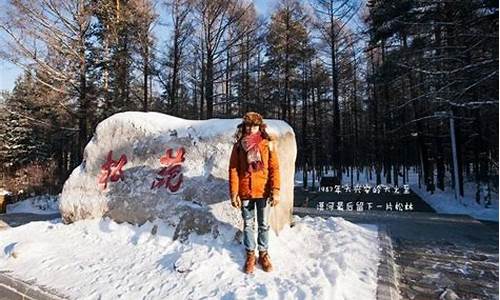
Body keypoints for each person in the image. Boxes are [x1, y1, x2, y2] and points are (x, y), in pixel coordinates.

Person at [228, 112, 280, 274]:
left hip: (264, 191)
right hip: (245, 191)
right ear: (244, 126)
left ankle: (263, 253)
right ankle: (251, 254)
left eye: (254, 126)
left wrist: (276, 190)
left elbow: (274, 168)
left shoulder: (267, 144)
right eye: (248, 126)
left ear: (260, 127)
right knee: (248, 225)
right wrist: (234, 193)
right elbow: (234, 169)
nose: (251, 129)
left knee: (263, 224)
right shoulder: (238, 146)